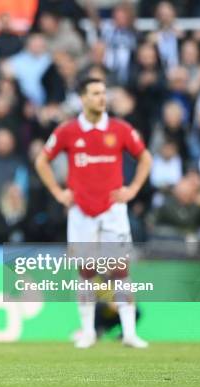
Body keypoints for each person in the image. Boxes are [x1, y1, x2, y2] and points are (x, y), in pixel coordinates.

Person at [34, 77, 153, 349]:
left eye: (104, 93)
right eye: (96, 93)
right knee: (86, 271)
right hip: (81, 211)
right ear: (83, 98)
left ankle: (130, 333)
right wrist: (57, 192)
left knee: (120, 270)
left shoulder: (120, 129)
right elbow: (42, 160)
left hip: (113, 210)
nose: (102, 98)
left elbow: (145, 157)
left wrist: (132, 189)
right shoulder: (68, 131)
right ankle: (88, 332)